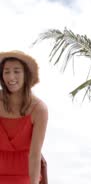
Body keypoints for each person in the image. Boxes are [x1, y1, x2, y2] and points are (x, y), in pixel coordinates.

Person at [0, 50, 48, 184]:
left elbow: (35, 155)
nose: (11, 77)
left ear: (26, 74)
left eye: (16, 71)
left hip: (26, 177)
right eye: (6, 71)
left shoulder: (39, 109)